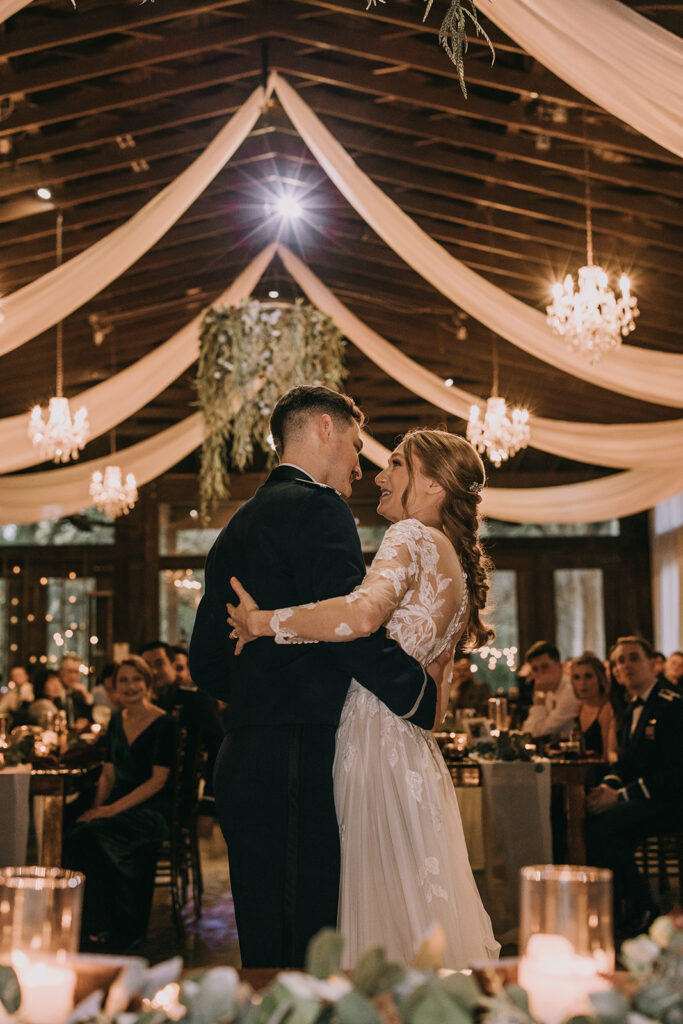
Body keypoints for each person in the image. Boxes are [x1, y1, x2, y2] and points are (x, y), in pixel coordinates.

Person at [227, 425, 500, 969]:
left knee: (377, 907)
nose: (379, 474)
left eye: (397, 464)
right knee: (413, 903)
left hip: (373, 743)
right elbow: (436, 699)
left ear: (432, 486)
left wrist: (262, 622)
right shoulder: (456, 564)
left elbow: (361, 616)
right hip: (415, 751)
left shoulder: (410, 538)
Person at [190, 386, 437, 969]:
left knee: (262, 939)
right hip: (299, 756)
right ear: (323, 429)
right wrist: (420, 698)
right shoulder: (319, 507)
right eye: (355, 446)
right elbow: (352, 629)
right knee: (307, 942)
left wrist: (261, 690)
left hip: (246, 753)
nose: (360, 464)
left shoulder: (236, 526)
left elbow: (206, 663)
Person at [62, 655, 173, 952]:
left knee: (92, 835)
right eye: (122, 680)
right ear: (114, 687)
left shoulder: (164, 723)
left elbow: (158, 781)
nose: (130, 686)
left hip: (150, 811)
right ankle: (90, 927)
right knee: (77, 832)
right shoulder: (115, 721)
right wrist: (96, 810)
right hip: (119, 806)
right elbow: (108, 776)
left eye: (136, 679)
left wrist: (108, 811)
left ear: (146, 683)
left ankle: (123, 928)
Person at [585, 636, 683, 936]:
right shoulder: (630, 711)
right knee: (594, 819)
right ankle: (618, 908)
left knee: (607, 825)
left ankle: (642, 906)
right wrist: (606, 787)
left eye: (633, 658)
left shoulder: (672, 706)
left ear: (653, 663)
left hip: (671, 801)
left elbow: (673, 774)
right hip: (647, 799)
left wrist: (621, 795)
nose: (625, 666)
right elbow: (624, 765)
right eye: (618, 661)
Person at [521, 641, 579, 740]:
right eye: (535, 669)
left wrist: (539, 701)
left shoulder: (570, 691)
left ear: (560, 666)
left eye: (545, 667)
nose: (540, 673)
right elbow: (527, 730)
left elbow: (538, 733)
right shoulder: (547, 692)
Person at [569, 653, 617, 760]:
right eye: (577, 677)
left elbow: (607, 757)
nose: (582, 683)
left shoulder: (607, 709)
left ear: (599, 678)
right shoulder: (579, 707)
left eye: (588, 676)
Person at [447, 653, 491, 717]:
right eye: (459, 670)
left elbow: (483, 709)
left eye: (465, 670)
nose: (462, 673)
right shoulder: (453, 688)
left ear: (471, 672)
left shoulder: (480, 687)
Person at [59, 653, 93, 729]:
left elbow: (91, 719)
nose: (73, 676)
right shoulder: (54, 692)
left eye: (76, 672)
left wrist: (86, 696)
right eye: (70, 671)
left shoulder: (78, 694)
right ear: (61, 671)